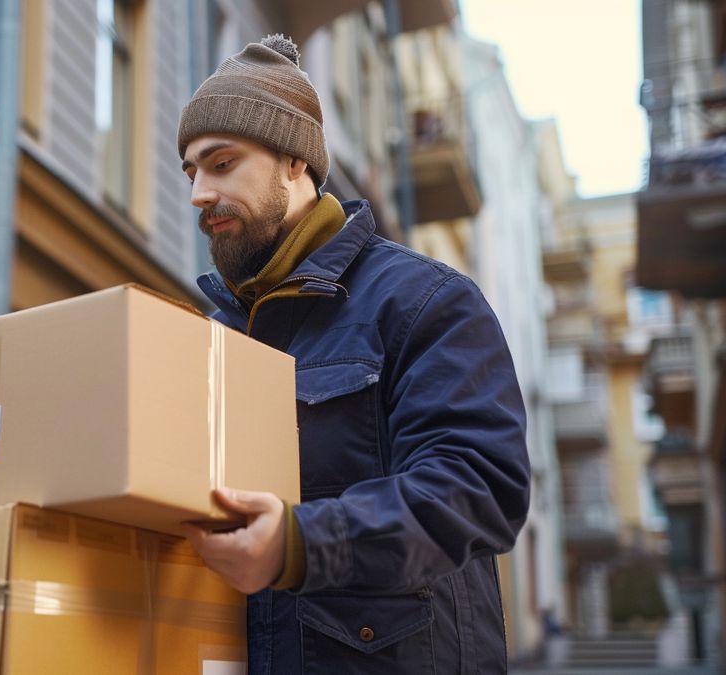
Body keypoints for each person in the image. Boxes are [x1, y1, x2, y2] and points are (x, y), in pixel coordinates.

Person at [177, 34, 531, 674]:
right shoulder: (210, 337)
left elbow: (480, 487)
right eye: (191, 172)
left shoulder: (426, 303)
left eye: (221, 163)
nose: (200, 192)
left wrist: (302, 544)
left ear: (294, 162)